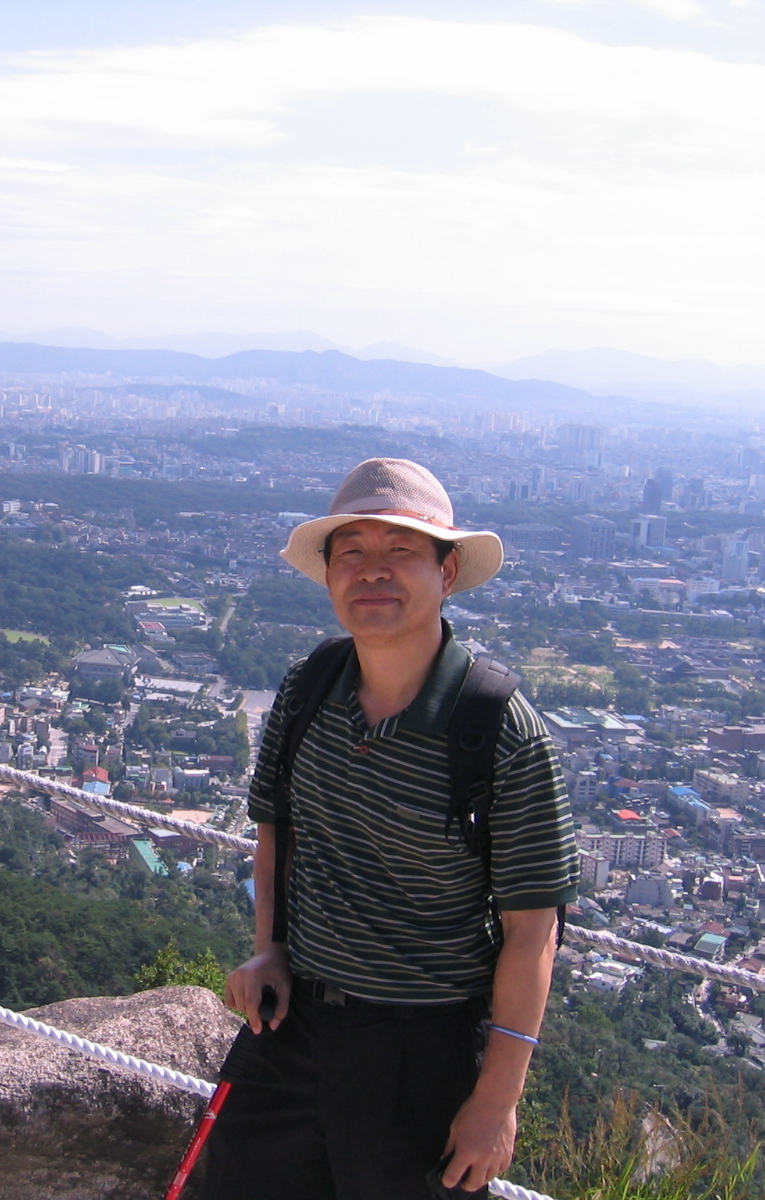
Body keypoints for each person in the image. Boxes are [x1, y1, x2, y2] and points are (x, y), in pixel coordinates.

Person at [202, 458, 578, 1200]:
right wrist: (270, 949)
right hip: (293, 1023)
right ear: (329, 575)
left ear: (447, 571)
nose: (372, 570)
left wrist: (496, 1102)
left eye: (400, 550)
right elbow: (278, 830)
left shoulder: (499, 729)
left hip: (422, 1050)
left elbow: (534, 932)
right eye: (352, 553)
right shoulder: (309, 687)